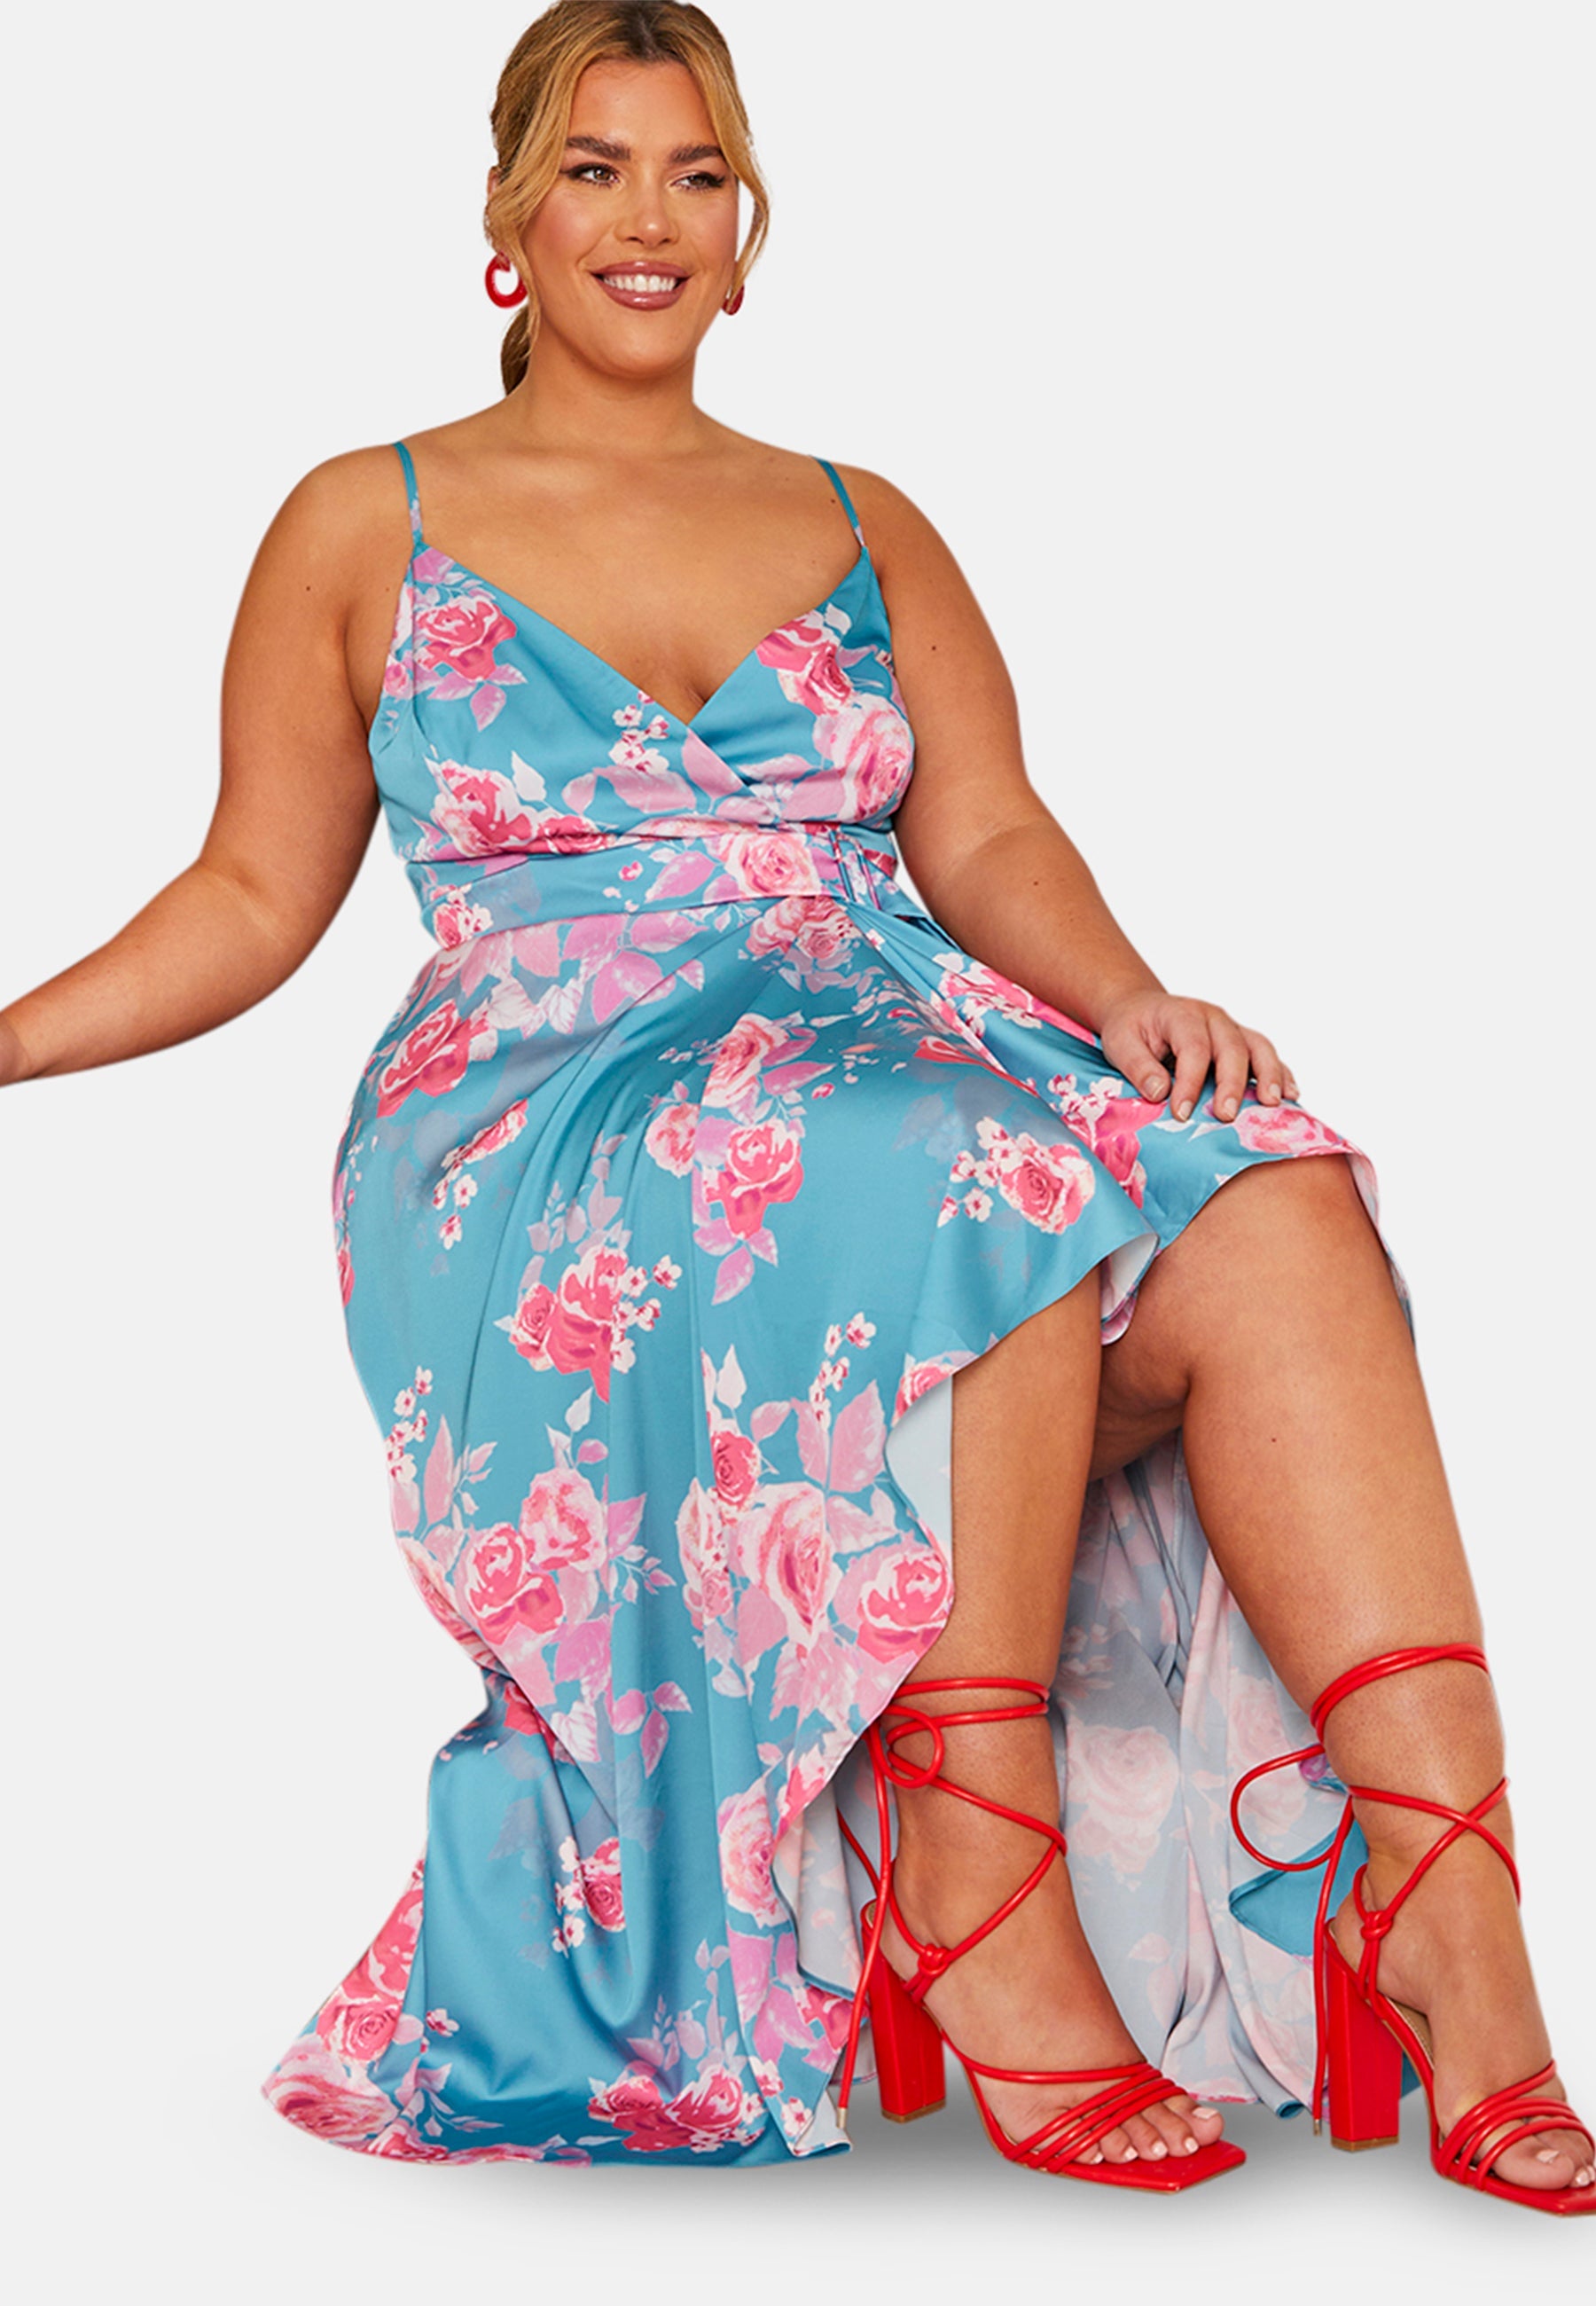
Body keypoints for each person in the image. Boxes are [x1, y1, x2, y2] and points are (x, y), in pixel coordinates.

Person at [3, 0, 1589, 2203]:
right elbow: (254, 892)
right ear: (507, 219)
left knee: (1271, 1195)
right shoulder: (365, 519)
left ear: (748, 232)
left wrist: (1139, 1001)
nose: (648, 218)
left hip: (886, 1035)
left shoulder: (863, 515)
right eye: (595, 169)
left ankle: (1452, 1911)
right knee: (980, 1172)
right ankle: (975, 1876)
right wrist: (6, 1036)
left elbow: (991, 834)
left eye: (697, 175)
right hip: (556, 1106)